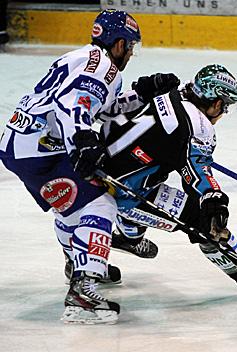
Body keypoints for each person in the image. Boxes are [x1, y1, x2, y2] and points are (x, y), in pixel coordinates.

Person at [0, 9, 179, 324]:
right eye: (131, 46)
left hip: (23, 143)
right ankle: (82, 294)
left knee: (72, 208)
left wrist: (144, 91)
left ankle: (79, 263)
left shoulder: (85, 58)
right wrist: (84, 141)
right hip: (41, 148)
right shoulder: (104, 67)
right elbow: (76, 102)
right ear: (119, 43)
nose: (131, 54)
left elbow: (104, 108)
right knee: (101, 203)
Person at [100, 64, 237, 297]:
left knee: (149, 182)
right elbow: (196, 169)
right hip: (124, 193)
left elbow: (112, 113)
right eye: (225, 106)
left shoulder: (167, 92)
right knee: (203, 223)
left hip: (94, 168)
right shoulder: (198, 125)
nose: (224, 112)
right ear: (217, 103)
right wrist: (213, 198)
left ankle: (129, 239)